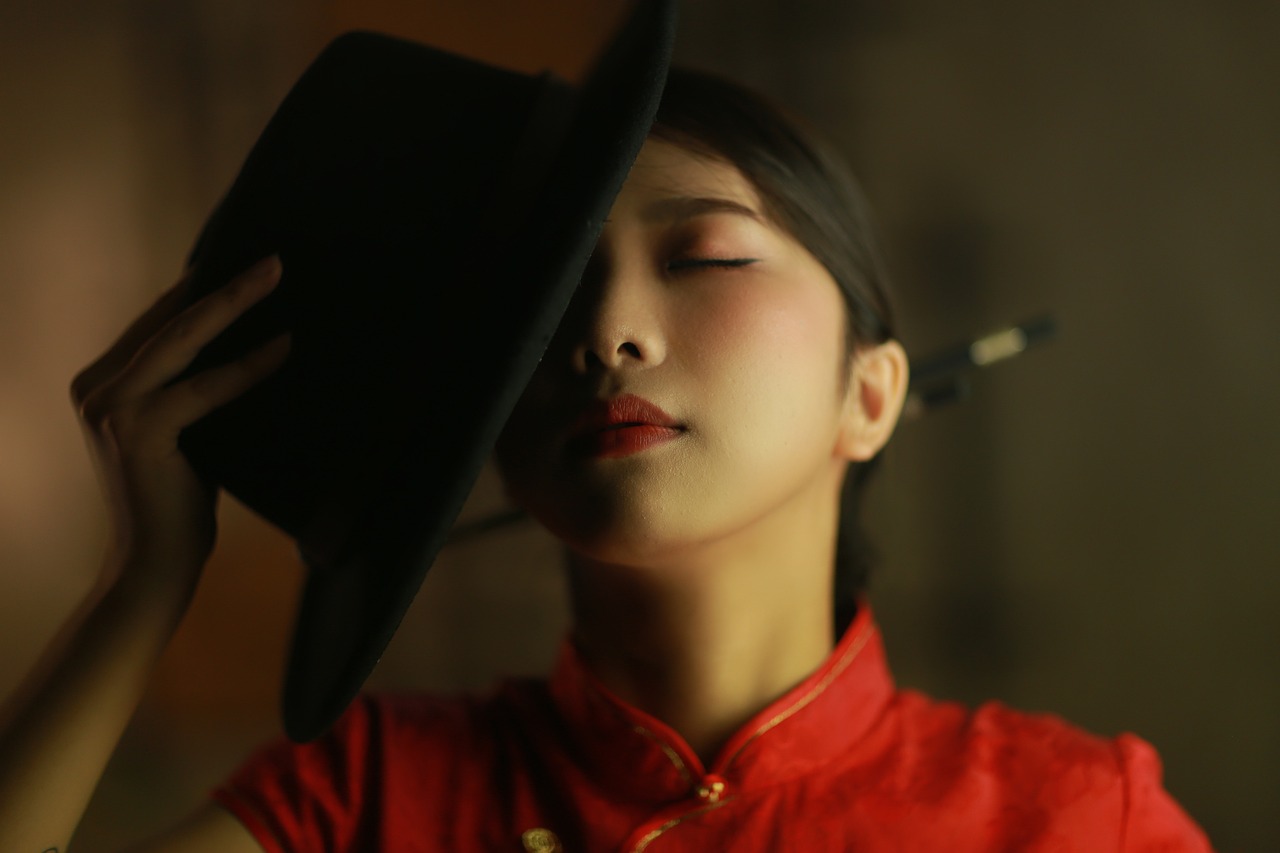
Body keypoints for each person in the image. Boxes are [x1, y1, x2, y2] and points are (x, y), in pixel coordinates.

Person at [0, 68, 1212, 852]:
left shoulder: (1070, 816)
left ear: (869, 393)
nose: (604, 332)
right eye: (544, 298)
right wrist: (143, 581)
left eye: (705, 256)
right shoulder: (367, 800)